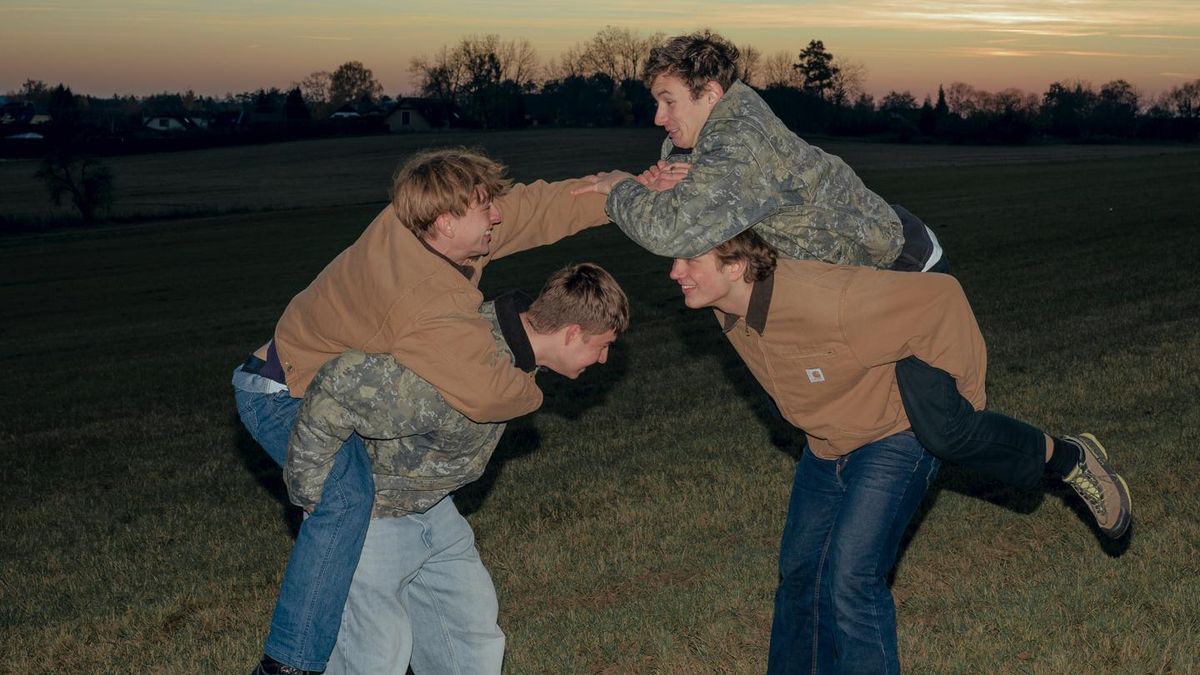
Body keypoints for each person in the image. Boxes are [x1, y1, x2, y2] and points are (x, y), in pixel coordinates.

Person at [574, 30, 1129, 539]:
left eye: (668, 101)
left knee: (946, 430)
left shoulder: (738, 140)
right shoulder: (714, 130)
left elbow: (672, 228)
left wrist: (620, 188)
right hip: (838, 284)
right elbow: (680, 171)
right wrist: (662, 177)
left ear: (711, 94)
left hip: (897, 271)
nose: (657, 116)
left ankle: (1071, 460)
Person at [669, 230, 1129, 673]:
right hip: (827, 444)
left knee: (852, 576)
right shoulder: (728, 303)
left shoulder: (831, 300)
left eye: (690, 260)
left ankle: (1069, 458)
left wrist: (961, 411)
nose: (675, 272)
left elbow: (940, 298)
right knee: (802, 576)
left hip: (896, 435)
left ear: (736, 266)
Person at [232, 149, 612, 675]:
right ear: (445, 222)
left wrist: (623, 192)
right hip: (284, 390)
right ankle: (288, 663)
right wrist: (534, 390)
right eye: (485, 210)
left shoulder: (415, 225)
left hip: (318, 373)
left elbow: (537, 207)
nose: (497, 217)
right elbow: (487, 390)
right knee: (345, 499)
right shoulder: (427, 304)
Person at [285, 263, 628, 675]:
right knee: (376, 655)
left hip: (433, 508)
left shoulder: (518, 352)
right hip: (375, 513)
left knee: (470, 636)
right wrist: (315, 498)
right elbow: (339, 385)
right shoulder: (466, 357)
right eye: (602, 345)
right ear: (571, 334)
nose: (605, 358)